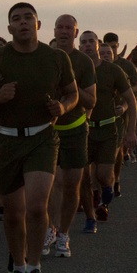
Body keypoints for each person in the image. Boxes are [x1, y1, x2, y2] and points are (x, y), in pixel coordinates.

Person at [0, 3, 77, 273]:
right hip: (6, 141)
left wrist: (63, 107)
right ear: (9, 29)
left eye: (28, 18)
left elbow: (72, 93)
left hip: (42, 138)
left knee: (35, 206)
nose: (22, 23)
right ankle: (18, 266)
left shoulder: (55, 58)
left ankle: (34, 267)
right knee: (14, 213)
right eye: (16, 19)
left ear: (38, 24)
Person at [42, 15, 95, 259]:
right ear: (53, 31)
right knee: (54, 184)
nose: (63, 32)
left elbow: (91, 100)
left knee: (72, 184)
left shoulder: (83, 62)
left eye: (68, 28)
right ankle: (50, 229)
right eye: (59, 27)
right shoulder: (43, 57)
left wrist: (71, 88)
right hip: (48, 131)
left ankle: (64, 233)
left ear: (75, 33)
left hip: (74, 128)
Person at [79, 39, 137, 228]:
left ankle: (106, 191)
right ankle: (91, 215)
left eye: (91, 42)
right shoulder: (75, 68)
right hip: (83, 130)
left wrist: (130, 131)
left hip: (107, 128)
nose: (87, 46)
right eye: (83, 43)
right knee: (83, 176)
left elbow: (131, 98)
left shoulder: (113, 70)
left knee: (103, 174)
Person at [102, 32, 137, 197]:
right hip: (99, 115)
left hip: (120, 115)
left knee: (116, 151)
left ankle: (115, 179)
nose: (111, 49)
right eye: (107, 46)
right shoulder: (95, 64)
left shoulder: (126, 66)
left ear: (118, 46)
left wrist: (126, 91)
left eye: (114, 46)